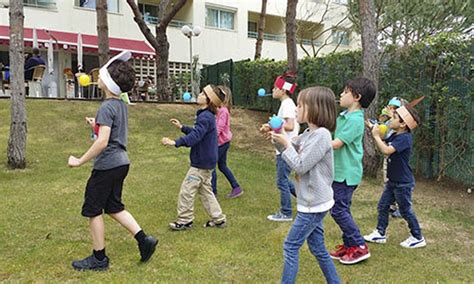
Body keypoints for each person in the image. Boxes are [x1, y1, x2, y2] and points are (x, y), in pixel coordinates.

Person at [68, 51, 158, 271]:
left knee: (93, 209)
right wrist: (95, 127)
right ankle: (144, 240)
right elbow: (110, 134)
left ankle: (99, 259)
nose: (97, 76)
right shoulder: (119, 105)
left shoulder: (107, 107)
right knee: (113, 206)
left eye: (101, 74)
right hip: (121, 163)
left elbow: (103, 142)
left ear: (107, 82)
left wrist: (79, 161)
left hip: (107, 165)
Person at [271, 86, 340, 284]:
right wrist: (278, 134)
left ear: (315, 108)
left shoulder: (322, 135)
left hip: (313, 204)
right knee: (318, 248)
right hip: (311, 202)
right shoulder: (310, 133)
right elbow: (290, 148)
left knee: (290, 246)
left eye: (300, 106)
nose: (295, 110)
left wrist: (285, 143)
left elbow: (300, 166)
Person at [162, 84, 227, 231]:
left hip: (201, 163)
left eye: (203, 93)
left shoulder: (205, 116)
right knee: (206, 192)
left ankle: (185, 220)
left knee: (187, 191)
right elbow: (198, 132)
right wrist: (182, 127)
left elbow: (196, 136)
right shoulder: (207, 116)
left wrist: (175, 142)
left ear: (209, 100)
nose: (199, 94)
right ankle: (219, 219)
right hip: (207, 161)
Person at [364, 104, 427, 248]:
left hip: (403, 183)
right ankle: (380, 234)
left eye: (393, 118)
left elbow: (386, 150)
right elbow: (383, 141)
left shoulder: (404, 138)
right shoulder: (395, 134)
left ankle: (418, 237)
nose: (389, 120)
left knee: (405, 210)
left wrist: (375, 136)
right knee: (383, 206)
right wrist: (373, 129)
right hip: (393, 181)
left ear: (403, 124)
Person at [329, 77, 375, 265]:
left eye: (345, 92)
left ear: (356, 97)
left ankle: (359, 245)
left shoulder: (355, 120)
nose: (341, 94)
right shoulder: (344, 116)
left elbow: (337, 144)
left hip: (347, 174)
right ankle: (349, 246)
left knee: (338, 210)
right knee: (341, 208)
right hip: (339, 172)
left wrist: (315, 143)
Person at [260, 72, 300, 222]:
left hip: (286, 148)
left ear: (283, 90)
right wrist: (270, 127)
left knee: (282, 181)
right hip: (283, 148)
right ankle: (307, 200)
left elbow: (289, 125)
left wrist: (272, 125)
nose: (273, 90)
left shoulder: (287, 104)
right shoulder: (285, 104)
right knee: (283, 180)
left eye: (275, 88)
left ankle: (286, 212)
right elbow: (282, 125)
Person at [211, 85, 243, 198]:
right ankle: (236, 187)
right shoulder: (221, 110)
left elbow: (219, 128)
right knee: (222, 166)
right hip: (223, 142)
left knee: (211, 167)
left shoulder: (223, 111)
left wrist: (210, 139)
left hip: (220, 144)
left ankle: (213, 192)